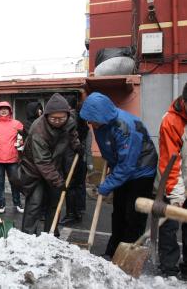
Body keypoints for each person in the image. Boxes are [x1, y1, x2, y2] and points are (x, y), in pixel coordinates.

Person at [80, 92, 157, 260]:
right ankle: (112, 252)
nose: (91, 123)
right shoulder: (98, 122)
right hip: (122, 167)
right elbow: (111, 149)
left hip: (141, 170)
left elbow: (127, 165)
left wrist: (106, 186)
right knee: (119, 212)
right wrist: (110, 163)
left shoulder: (125, 127)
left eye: (93, 120)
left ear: (103, 116)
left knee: (133, 215)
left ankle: (128, 257)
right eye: (89, 120)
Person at [15, 93, 81, 236]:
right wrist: (57, 181)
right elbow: (43, 162)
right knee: (35, 203)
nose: (58, 121)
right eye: (53, 118)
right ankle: (28, 236)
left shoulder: (70, 121)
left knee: (55, 202)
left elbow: (72, 134)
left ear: (67, 115)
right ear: (46, 116)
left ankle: (51, 234)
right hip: (34, 170)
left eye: (61, 118)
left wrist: (76, 145)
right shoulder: (38, 130)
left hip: (54, 166)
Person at [157, 82, 187, 278]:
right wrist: (176, 193)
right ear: (184, 102)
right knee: (170, 225)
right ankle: (168, 268)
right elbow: (170, 160)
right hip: (174, 180)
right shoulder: (171, 121)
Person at [60, 95, 90, 225]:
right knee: (77, 185)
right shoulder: (80, 116)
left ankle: (71, 214)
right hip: (78, 155)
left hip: (70, 156)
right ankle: (77, 212)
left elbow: (69, 137)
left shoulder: (70, 117)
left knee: (70, 185)